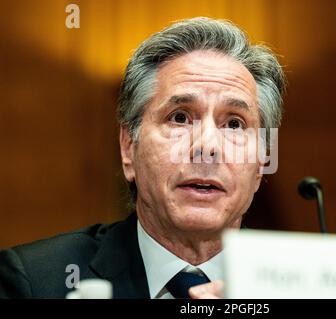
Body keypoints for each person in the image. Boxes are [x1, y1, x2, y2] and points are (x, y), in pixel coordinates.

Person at [0, 17, 286, 299]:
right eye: (180, 117)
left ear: (261, 163)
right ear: (128, 147)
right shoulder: (33, 282)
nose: (207, 146)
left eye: (234, 124)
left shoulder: (303, 285)